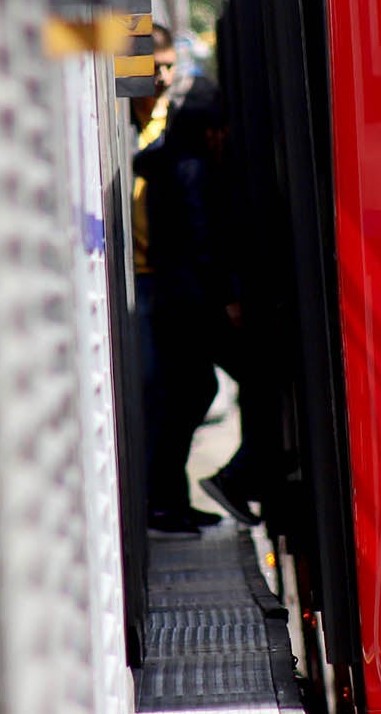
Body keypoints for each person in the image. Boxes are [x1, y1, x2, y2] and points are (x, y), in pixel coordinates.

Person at [138, 54, 238, 534]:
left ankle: (171, 500)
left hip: (173, 302)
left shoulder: (164, 160)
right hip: (193, 304)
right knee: (198, 392)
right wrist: (229, 298)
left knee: (184, 397)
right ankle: (175, 497)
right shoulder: (194, 168)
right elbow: (205, 241)